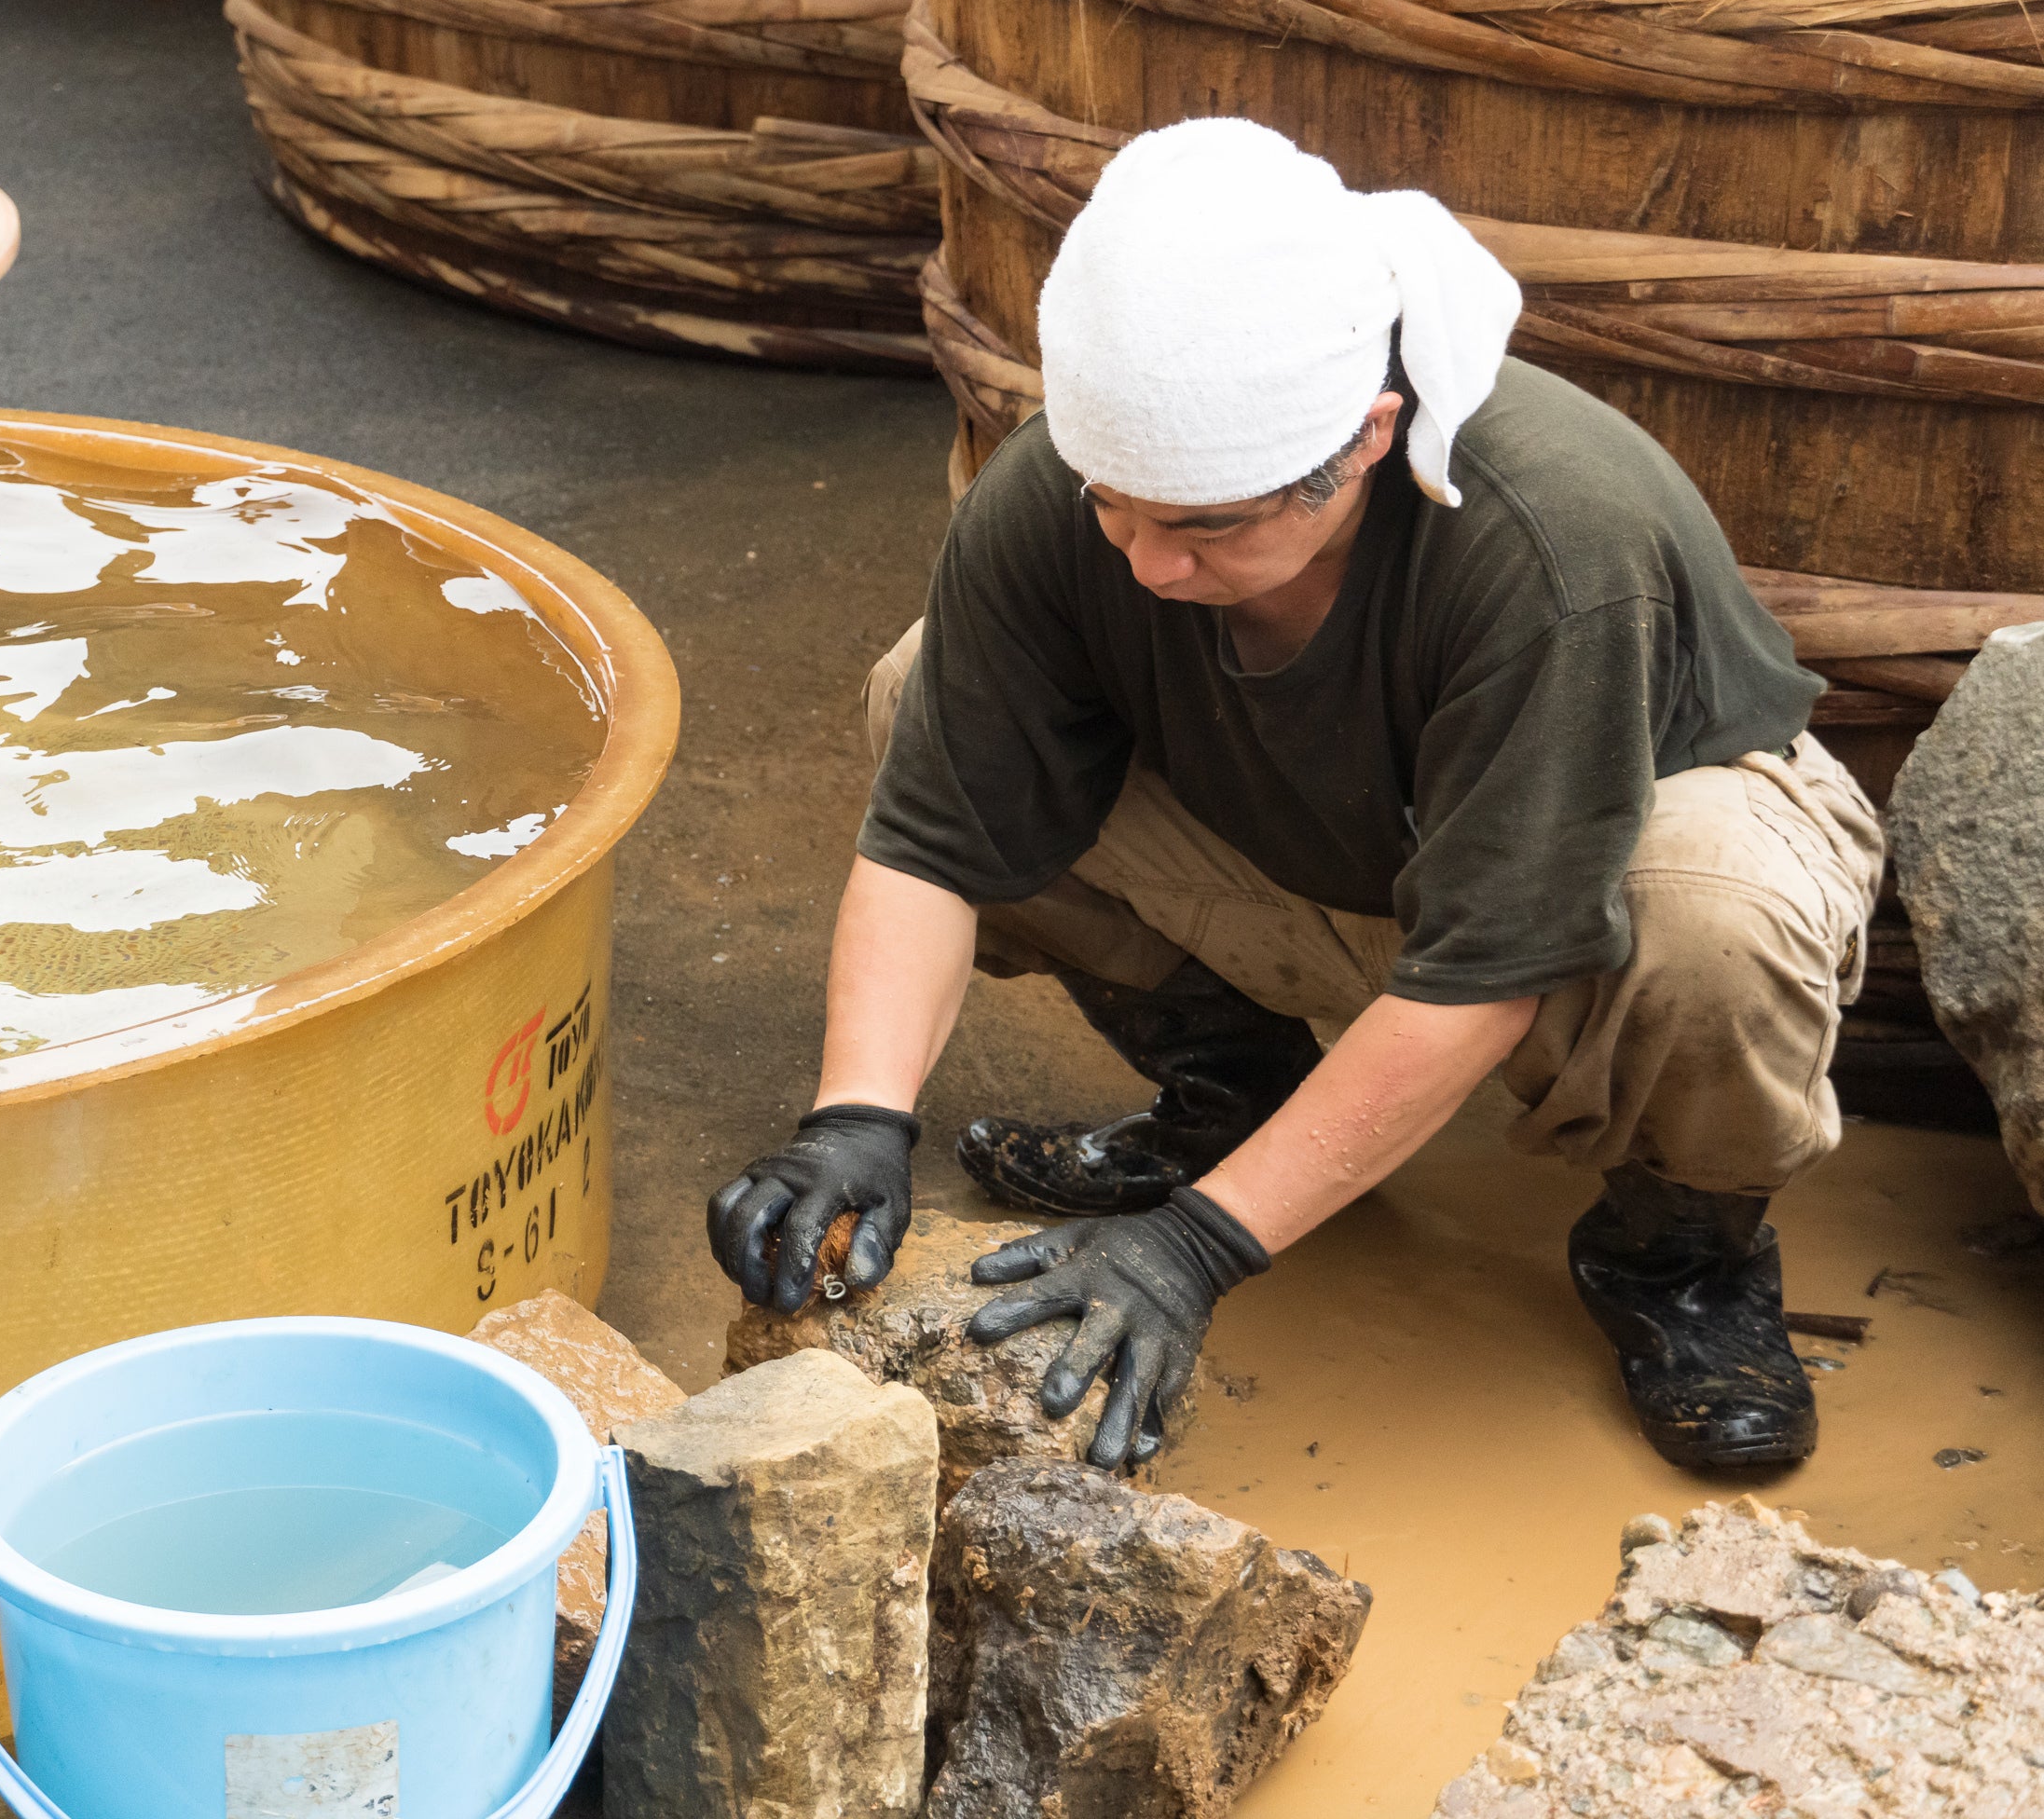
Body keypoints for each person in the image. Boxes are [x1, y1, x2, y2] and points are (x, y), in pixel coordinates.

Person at [706, 119, 1882, 1474]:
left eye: (1207, 526)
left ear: (1368, 437)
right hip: (1346, 841)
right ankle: (1238, 1099)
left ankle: (1679, 1250)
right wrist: (857, 1115)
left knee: (1718, 926)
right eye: (1114, 507)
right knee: (924, 693)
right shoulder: (1067, 498)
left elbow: (1489, 967)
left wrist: (1197, 1249)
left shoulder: (1550, 541)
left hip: (1616, 870)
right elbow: (930, 842)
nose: (1147, 565)